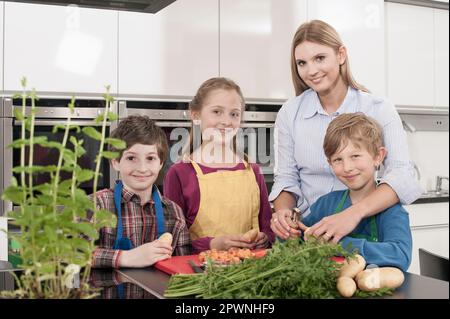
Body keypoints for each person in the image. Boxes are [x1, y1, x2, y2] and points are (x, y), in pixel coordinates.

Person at [269, 20, 422, 243]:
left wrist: (353, 213)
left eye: (319, 58)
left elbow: (401, 175)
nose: (311, 71)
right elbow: (286, 178)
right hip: (309, 234)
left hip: (364, 231)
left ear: (341, 55)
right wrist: (283, 213)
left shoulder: (379, 108)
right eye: (302, 63)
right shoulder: (289, 113)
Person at [164, 77, 275, 253]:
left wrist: (266, 238)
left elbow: (267, 227)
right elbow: (172, 240)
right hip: (199, 275)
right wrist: (212, 245)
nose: (226, 121)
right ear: (196, 115)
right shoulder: (180, 173)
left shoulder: (253, 171)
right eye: (217, 112)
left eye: (234, 114)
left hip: (250, 272)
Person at [299, 113, 412, 271]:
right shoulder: (325, 204)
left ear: (378, 157)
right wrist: (289, 233)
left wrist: (339, 244)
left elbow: (400, 256)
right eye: (338, 160)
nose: (347, 167)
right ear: (329, 163)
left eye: (355, 156)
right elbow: (300, 239)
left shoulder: (392, 212)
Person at [89, 115, 191, 268]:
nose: (142, 168)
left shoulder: (174, 213)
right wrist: (127, 257)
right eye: (131, 158)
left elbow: (183, 266)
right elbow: (69, 255)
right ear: (115, 162)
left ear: (161, 163)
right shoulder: (96, 204)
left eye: (150, 158)